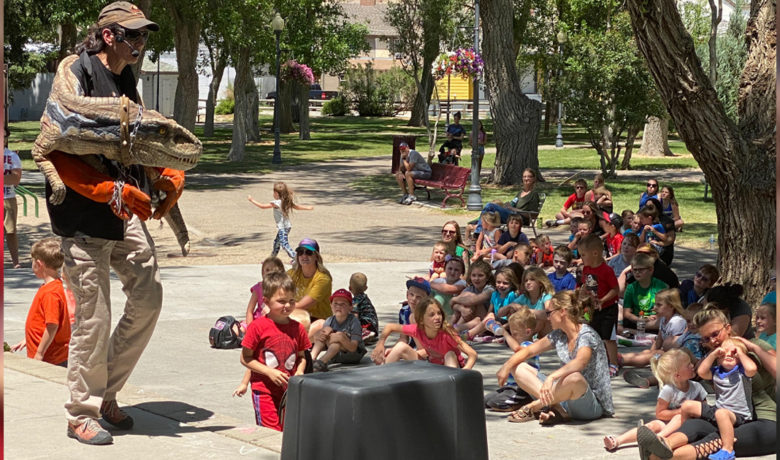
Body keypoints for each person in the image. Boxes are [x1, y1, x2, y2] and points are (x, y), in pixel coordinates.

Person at [43, 3, 188, 446]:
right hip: (84, 215)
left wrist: (165, 177)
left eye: (145, 37)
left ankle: (107, 392)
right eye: (135, 37)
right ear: (109, 36)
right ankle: (81, 413)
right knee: (94, 315)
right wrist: (112, 191)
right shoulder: (76, 73)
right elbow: (59, 144)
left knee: (148, 295)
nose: (141, 45)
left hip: (122, 212)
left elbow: (133, 142)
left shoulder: (127, 79)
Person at [635, 306, 776, 460]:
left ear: (728, 328)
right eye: (706, 338)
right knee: (695, 425)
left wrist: (752, 348)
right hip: (730, 417)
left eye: (715, 334)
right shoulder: (715, 357)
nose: (713, 341)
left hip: (766, 421)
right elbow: (700, 373)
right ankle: (663, 444)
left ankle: (657, 457)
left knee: (720, 439)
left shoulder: (753, 346)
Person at [498, 290, 614, 425]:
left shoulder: (586, 334)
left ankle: (533, 407)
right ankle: (557, 409)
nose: (548, 318)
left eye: (549, 313)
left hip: (589, 404)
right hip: (563, 396)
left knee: (574, 377)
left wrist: (552, 377)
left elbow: (580, 363)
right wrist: (506, 367)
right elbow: (528, 351)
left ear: (562, 311)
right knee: (518, 366)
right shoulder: (559, 334)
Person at [238, 272, 310, 431]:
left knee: (288, 432)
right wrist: (269, 372)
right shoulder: (257, 327)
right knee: (270, 433)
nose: (287, 305)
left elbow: (301, 357)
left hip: (288, 391)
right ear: (266, 302)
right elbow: (245, 358)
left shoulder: (298, 328)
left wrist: (299, 370)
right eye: (281, 301)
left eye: (292, 301)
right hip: (264, 390)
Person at [603, 349, 707, 453]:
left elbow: (705, 410)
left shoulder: (697, 388)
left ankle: (657, 439)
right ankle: (618, 441)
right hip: (667, 424)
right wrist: (680, 411)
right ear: (677, 375)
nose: (693, 366)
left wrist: (689, 413)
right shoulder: (668, 390)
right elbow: (660, 414)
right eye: (688, 365)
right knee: (651, 426)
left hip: (688, 427)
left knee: (679, 417)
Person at [679, 338, 757, 460]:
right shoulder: (716, 372)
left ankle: (727, 449)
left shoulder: (742, 372)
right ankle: (685, 433)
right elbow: (701, 372)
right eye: (724, 353)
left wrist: (740, 353)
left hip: (739, 416)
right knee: (688, 405)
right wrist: (713, 354)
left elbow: (752, 368)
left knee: (721, 413)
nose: (729, 355)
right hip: (719, 410)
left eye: (733, 354)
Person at [10, 238, 71, 366]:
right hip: (49, 354)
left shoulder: (51, 293)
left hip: (50, 358)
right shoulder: (52, 287)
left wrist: (40, 353)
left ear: (39, 263)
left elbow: (52, 326)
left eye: (33, 261)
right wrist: (27, 340)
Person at [371, 297, 477, 369]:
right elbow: (390, 326)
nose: (437, 318)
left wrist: (466, 371)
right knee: (400, 347)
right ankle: (382, 378)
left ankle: (450, 390)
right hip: (431, 367)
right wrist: (380, 344)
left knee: (449, 354)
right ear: (421, 320)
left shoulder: (447, 334)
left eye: (439, 313)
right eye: (431, 315)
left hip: (451, 371)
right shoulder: (418, 330)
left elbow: (472, 354)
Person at [484, 307, 541, 412]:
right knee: (485, 401)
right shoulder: (523, 344)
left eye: (515, 334)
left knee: (495, 403)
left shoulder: (529, 346)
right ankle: (511, 399)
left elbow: (517, 349)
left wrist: (504, 333)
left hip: (521, 388)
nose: (512, 336)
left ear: (528, 332)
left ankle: (523, 400)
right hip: (510, 386)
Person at [580, 234, 620, 376]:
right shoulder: (587, 269)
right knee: (590, 334)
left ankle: (614, 363)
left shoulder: (606, 270)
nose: (581, 258)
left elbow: (616, 289)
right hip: (591, 307)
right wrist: (583, 292)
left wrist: (603, 300)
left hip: (607, 307)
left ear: (595, 253)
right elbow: (588, 285)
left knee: (609, 337)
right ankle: (593, 361)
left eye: (583, 255)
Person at [619, 289, 687, 372]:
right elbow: (658, 340)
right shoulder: (663, 319)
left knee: (651, 355)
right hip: (667, 353)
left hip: (677, 357)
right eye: (655, 304)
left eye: (659, 305)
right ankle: (619, 357)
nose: (654, 308)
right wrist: (651, 352)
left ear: (671, 306)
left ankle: (619, 360)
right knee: (647, 352)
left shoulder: (677, 322)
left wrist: (654, 357)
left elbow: (675, 347)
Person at [247, 181, 313, 260]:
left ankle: (296, 257)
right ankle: (272, 259)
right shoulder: (285, 201)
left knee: (284, 244)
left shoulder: (276, 203)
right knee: (277, 243)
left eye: (273, 192)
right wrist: (307, 208)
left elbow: (262, 206)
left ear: (276, 193)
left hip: (283, 228)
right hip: (286, 226)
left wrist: (251, 200)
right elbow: (296, 207)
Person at [468, 168, 541, 237]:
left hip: (519, 218)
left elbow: (534, 214)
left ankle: (478, 230)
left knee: (490, 206)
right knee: (491, 213)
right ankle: (487, 236)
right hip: (511, 213)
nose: (526, 178)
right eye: (524, 176)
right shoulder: (520, 193)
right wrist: (507, 205)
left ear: (534, 179)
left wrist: (514, 209)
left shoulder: (533, 194)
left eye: (529, 177)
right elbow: (513, 204)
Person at [310, 289, 366, 372]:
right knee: (323, 333)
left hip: (352, 355)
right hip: (335, 354)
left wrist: (341, 338)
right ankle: (311, 359)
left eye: (342, 304)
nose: (338, 306)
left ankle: (321, 362)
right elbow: (323, 339)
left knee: (338, 339)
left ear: (350, 307)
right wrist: (322, 335)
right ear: (331, 306)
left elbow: (353, 348)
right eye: (335, 303)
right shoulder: (329, 320)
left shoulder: (354, 321)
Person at [288, 238, 332, 330]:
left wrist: (281, 307)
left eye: (308, 252)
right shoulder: (291, 274)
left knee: (320, 324)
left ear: (316, 256)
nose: (304, 256)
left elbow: (302, 305)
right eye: (300, 252)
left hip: (316, 319)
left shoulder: (323, 279)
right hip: (296, 315)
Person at [468, 267, 520, 340]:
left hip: (506, 326)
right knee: (478, 320)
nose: (501, 285)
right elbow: (489, 312)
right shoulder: (495, 294)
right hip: (495, 324)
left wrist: (502, 327)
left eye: (505, 283)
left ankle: (470, 334)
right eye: (498, 282)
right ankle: (457, 328)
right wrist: (486, 323)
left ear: (512, 284)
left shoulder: (511, 295)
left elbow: (514, 319)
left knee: (489, 317)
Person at [622, 253, 668, 333]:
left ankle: (635, 331)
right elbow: (626, 312)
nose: (637, 273)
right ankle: (639, 330)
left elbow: (666, 309)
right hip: (637, 320)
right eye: (634, 270)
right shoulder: (631, 287)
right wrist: (639, 319)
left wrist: (656, 316)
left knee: (664, 320)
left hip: (655, 319)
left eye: (640, 270)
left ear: (651, 270)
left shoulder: (660, 286)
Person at [451, 260, 494, 335]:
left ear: (487, 278)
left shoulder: (489, 289)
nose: (476, 279)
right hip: (474, 318)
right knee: (463, 304)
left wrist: (454, 299)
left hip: (486, 321)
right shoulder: (471, 288)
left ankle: (455, 329)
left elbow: (473, 301)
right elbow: (453, 305)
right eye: (473, 275)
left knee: (471, 298)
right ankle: (453, 327)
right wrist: (462, 309)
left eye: (480, 275)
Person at [244, 256, 285, 327]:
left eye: (273, 270)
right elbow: (249, 311)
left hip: (276, 321)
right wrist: (250, 328)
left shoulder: (283, 288)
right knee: (238, 329)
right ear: (263, 272)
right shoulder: (258, 288)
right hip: (257, 320)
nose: (270, 273)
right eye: (267, 270)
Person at [4, 126, 22, 268]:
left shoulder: (12, 156)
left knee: (10, 231)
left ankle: (15, 262)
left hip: (7, 197)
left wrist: (9, 178)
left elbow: (15, 179)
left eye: (4, 136)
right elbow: (9, 177)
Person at [349, 272, 379, 342]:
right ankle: (369, 334)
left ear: (350, 288)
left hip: (365, 324)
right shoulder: (365, 298)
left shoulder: (355, 301)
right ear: (366, 288)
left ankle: (364, 333)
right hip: (373, 325)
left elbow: (355, 316)